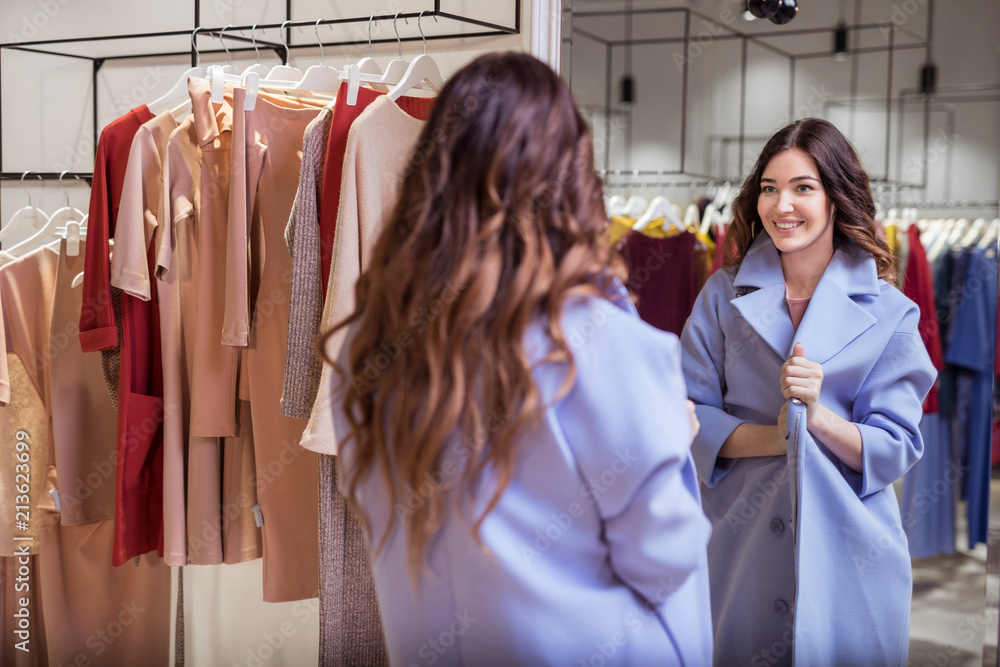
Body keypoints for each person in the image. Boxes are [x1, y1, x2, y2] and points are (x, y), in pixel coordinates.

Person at [326, 52, 713, 666]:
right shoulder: (605, 344)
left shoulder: (368, 345)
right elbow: (666, 559)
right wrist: (674, 434)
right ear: (568, 177)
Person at [681, 117, 936, 666]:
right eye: (769, 189)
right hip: (740, 544)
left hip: (852, 557)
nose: (782, 205)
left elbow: (895, 448)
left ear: (837, 199)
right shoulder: (722, 296)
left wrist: (816, 419)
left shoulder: (891, 312)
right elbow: (688, 416)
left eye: (803, 188)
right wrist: (777, 435)